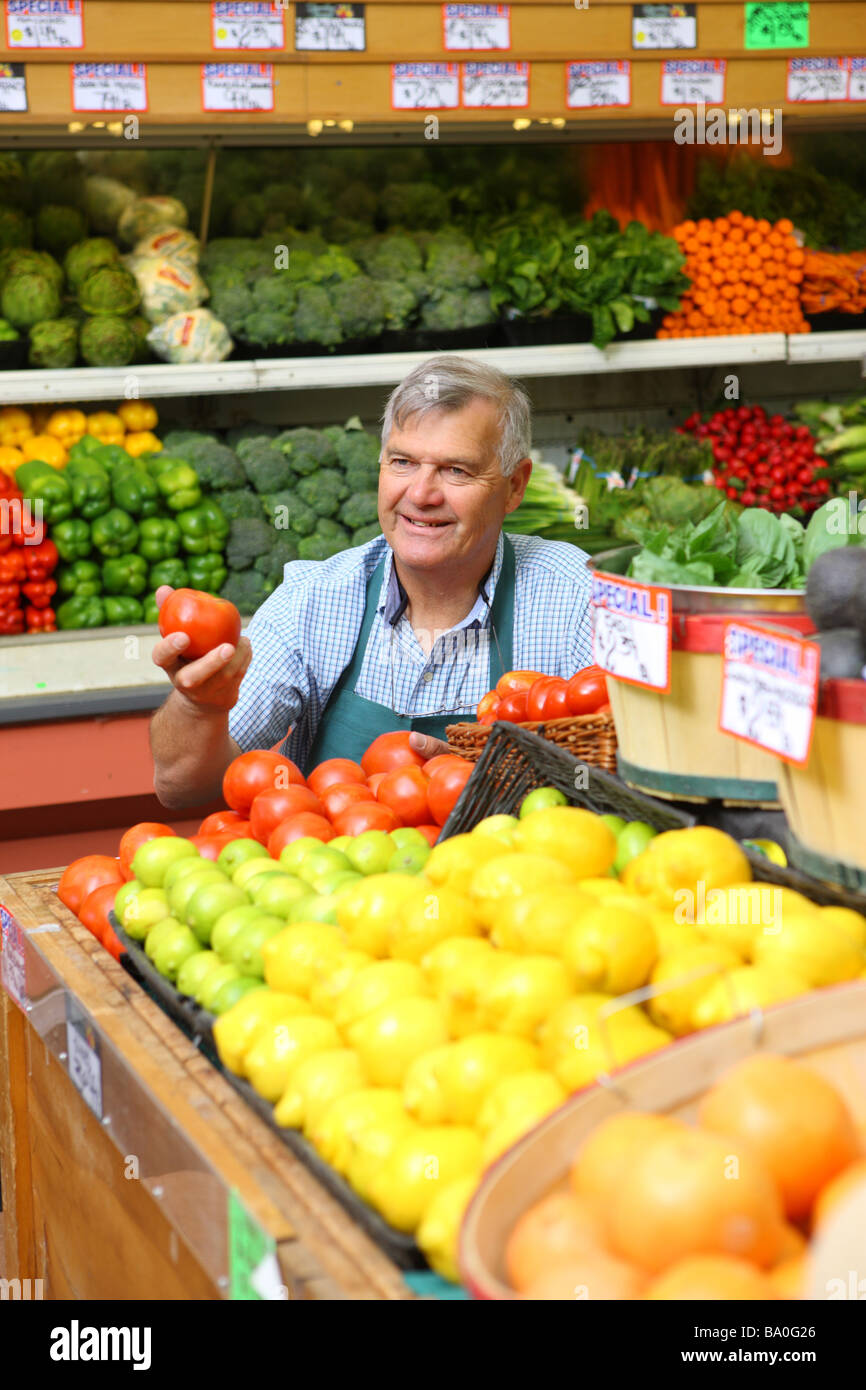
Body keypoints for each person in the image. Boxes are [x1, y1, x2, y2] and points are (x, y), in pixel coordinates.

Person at [150, 354, 593, 808]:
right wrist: (198, 707)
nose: (421, 495)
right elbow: (185, 791)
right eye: (402, 462)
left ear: (515, 487)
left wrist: (497, 782)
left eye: (456, 470)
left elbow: (627, 786)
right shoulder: (314, 599)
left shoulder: (577, 598)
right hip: (340, 870)